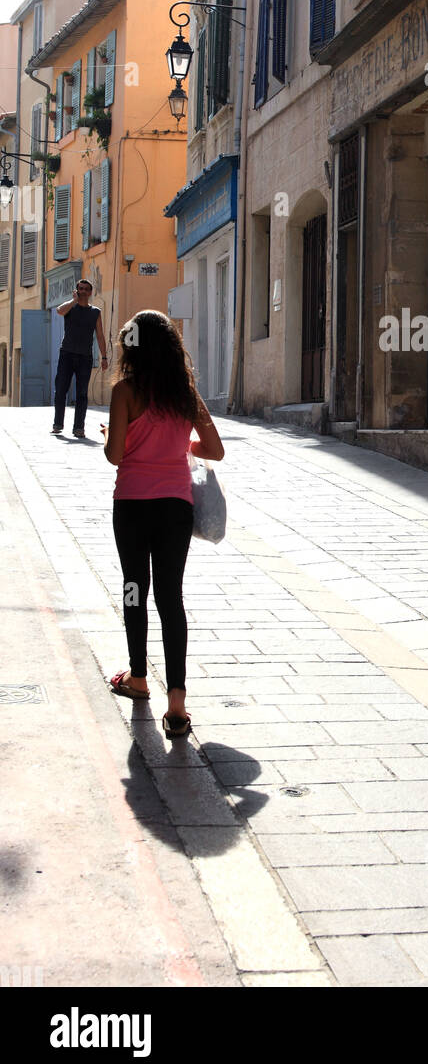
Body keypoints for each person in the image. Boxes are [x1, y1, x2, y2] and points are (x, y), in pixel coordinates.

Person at [102, 310, 224, 738]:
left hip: (133, 505)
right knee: (171, 596)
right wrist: (179, 442)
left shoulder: (124, 391)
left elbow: (115, 455)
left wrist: (116, 436)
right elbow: (215, 450)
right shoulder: (185, 393)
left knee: (135, 588)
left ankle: (138, 679)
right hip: (176, 506)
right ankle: (177, 703)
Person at [52, 279, 108, 437]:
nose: (83, 291)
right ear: (76, 291)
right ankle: (57, 424)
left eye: (86, 289)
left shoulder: (95, 312)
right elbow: (59, 311)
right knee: (61, 390)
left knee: (82, 393)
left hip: (85, 357)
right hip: (67, 354)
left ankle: (79, 428)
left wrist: (104, 357)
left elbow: (100, 335)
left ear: (90, 293)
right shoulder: (70, 307)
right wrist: (73, 300)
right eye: (80, 289)